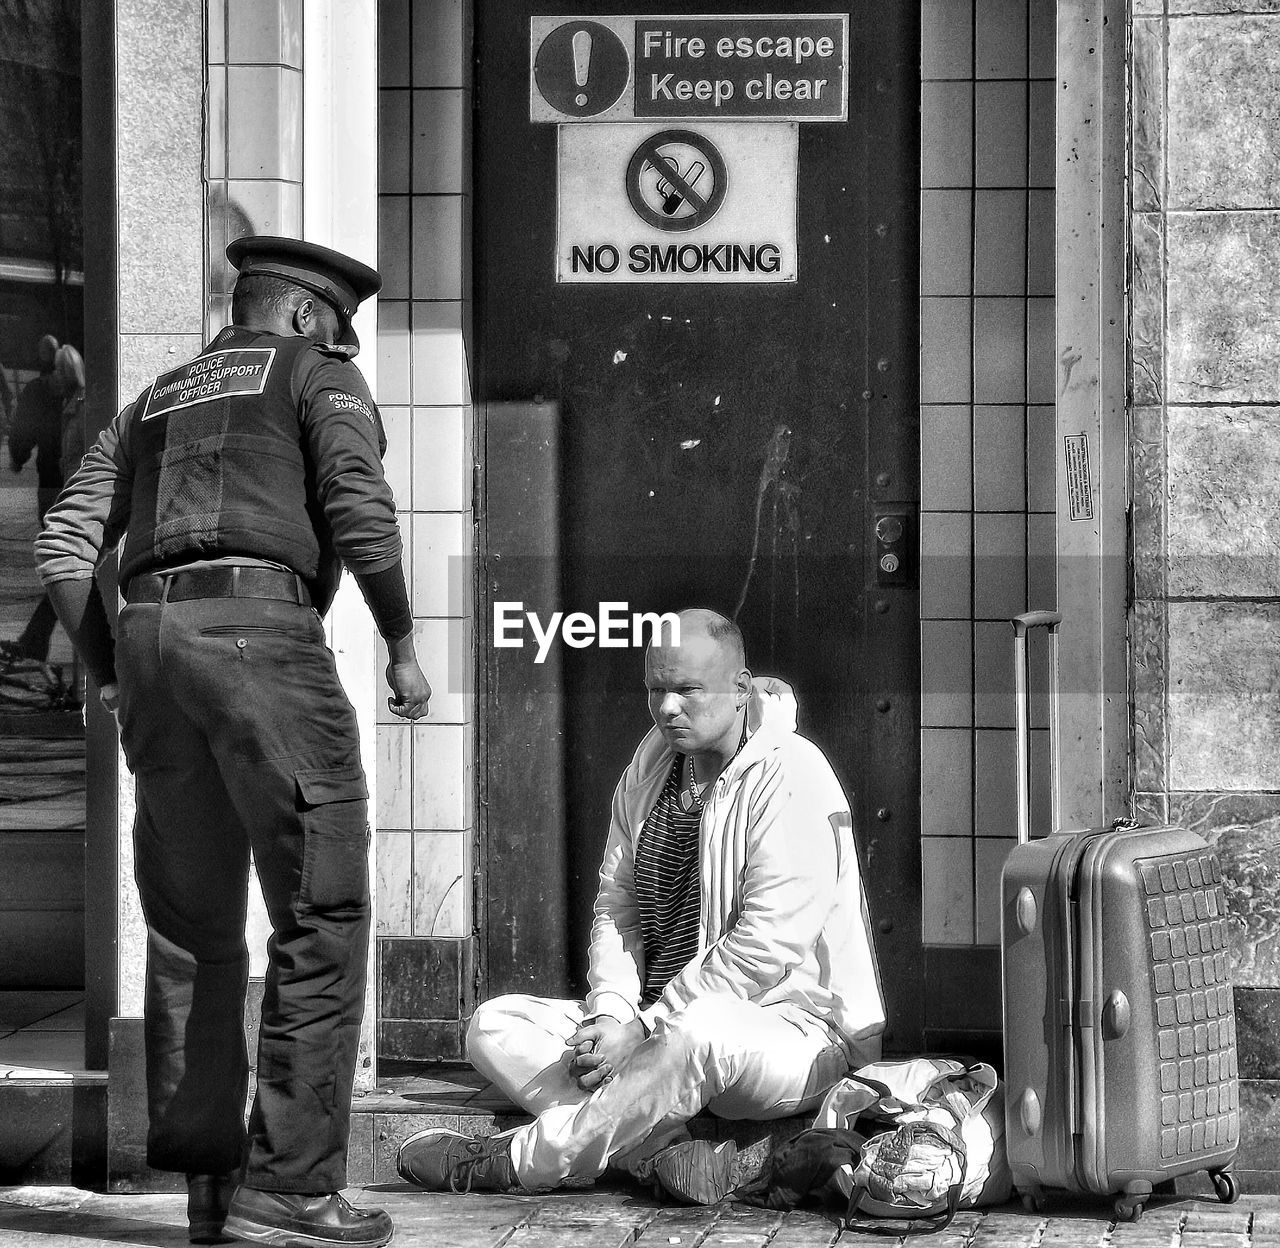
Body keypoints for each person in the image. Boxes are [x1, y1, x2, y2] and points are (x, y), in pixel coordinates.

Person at [34, 237, 431, 1248]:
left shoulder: (154, 398)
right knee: (321, 913)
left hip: (155, 653)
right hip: (263, 647)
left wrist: (113, 668)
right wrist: (399, 642)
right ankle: (291, 1189)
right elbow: (360, 512)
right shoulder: (316, 378)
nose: (342, 346)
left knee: (192, 927)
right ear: (304, 317)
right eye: (336, 330)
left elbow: (65, 542)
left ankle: (212, 1184)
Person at [397, 608, 884, 1205]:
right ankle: (664, 1154)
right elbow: (617, 905)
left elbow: (764, 948)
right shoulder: (652, 765)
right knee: (494, 1025)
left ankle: (520, 1160)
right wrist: (608, 1014)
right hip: (653, 1024)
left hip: (795, 1034)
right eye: (656, 689)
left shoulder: (794, 774)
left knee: (697, 1030)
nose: (668, 708)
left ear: (739, 688)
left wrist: (647, 1029)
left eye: (687, 690)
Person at [3, 334, 63, 667]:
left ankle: (36, 639)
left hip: (51, 486)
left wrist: (17, 456)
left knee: (67, 566)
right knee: (70, 565)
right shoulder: (71, 390)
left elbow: (24, 429)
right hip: (66, 483)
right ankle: (36, 639)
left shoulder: (38, 391)